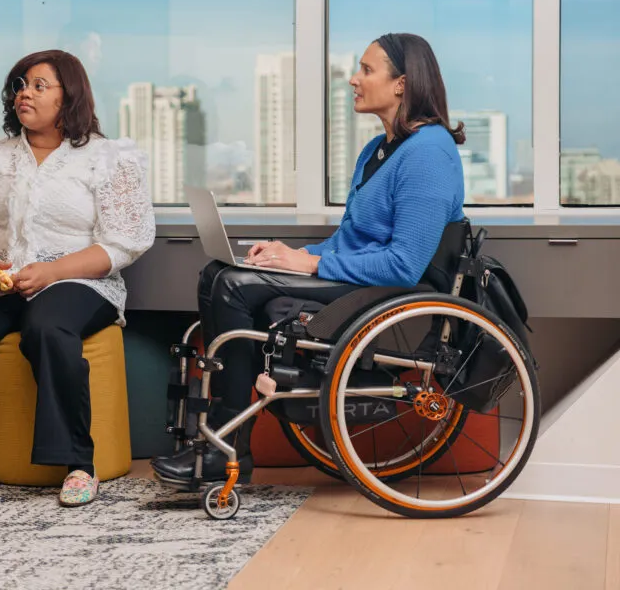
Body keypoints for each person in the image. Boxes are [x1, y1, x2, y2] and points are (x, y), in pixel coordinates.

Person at [152, 32, 467, 485]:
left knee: (231, 285)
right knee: (222, 271)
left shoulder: (428, 153)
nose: (354, 80)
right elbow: (352, 240)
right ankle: (222, 443)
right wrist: (290, 255)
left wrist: (312, 266)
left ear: (402, 83)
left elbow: (404, 264)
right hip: (362, 281)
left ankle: (225, 447)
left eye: (366, 70)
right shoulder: (379, 151)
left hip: (390, 293)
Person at [0, 49, 156, 507]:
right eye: (20, 84)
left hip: (79, 279)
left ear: (69, 96)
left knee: (47, 328)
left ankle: (78, 464)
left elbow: (124, 242)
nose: (25, 93)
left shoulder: (107, 158)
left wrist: (53, 271)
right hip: (3, 276)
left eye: (39, 85)